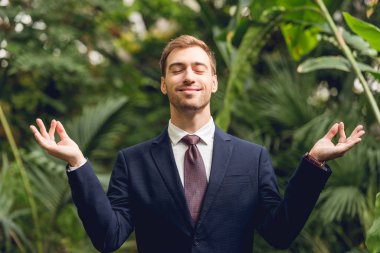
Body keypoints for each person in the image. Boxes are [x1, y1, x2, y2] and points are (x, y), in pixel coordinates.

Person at [30, 35, 365, 253]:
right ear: (164, 84)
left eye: (198, 68)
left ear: (213, 82)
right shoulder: (133, 162)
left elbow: (279, 233)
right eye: (177, 69)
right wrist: (78, 163)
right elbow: (108, 238)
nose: (188, 76)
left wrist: (313, 164)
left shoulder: (252, 158)